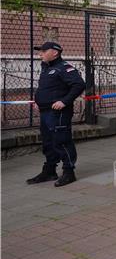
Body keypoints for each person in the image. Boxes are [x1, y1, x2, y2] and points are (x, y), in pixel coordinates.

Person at [27, 41, 86, 187]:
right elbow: (46, 88)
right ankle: (50, 171)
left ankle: (69, 172)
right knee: (48, 142)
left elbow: (79, 85)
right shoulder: (46, 68)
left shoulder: (63, 68)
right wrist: (37, 100)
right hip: (45, 111)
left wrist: (64, 101)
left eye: (43, 51)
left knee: (62, 141)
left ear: (54, 52)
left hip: (58, 112)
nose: (40, 54)